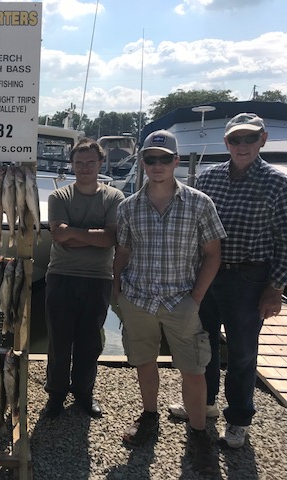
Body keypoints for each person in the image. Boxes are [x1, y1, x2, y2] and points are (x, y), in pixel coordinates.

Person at [169, 113, 287, 448]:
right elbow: (190, 227)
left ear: (262, 140)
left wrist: (275, 288)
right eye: (236, 139)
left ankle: (238, 419)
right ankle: (206, 405)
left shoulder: (278, 184)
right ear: (226, 143)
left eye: (250, 139)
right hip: (208, 275)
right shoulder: (208, 179)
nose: (242, 145)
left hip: (250, 279)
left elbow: (285, 241)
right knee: (202, 344)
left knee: (242, 353)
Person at [113, 130, 226, 473]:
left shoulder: (199, 203)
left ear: (176, 162)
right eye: (151, 159)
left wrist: (196, 298)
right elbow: (123, 251)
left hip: (182, 301)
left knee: (193, 370)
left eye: (165, 158)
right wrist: (115, 290)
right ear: (142, 163)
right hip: (138, 299)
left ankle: (198, 433)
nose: (158, 165)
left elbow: (212, 255)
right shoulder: (128, 207)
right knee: (144, 362)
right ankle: (150, 415)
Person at [43, 138, 125, 419]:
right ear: (72, 165)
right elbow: (58, 236)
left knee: (90, 342)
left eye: (91, 162)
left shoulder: (114, 197)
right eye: (79, 163)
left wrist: (75, 233)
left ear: (101, 163)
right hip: (61, 275)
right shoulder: (59, 196)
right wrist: (94, 235)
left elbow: (111, 238)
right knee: (59, 340)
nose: (85, 168)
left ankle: (84, 392)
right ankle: (55, 393)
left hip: (98, 277)